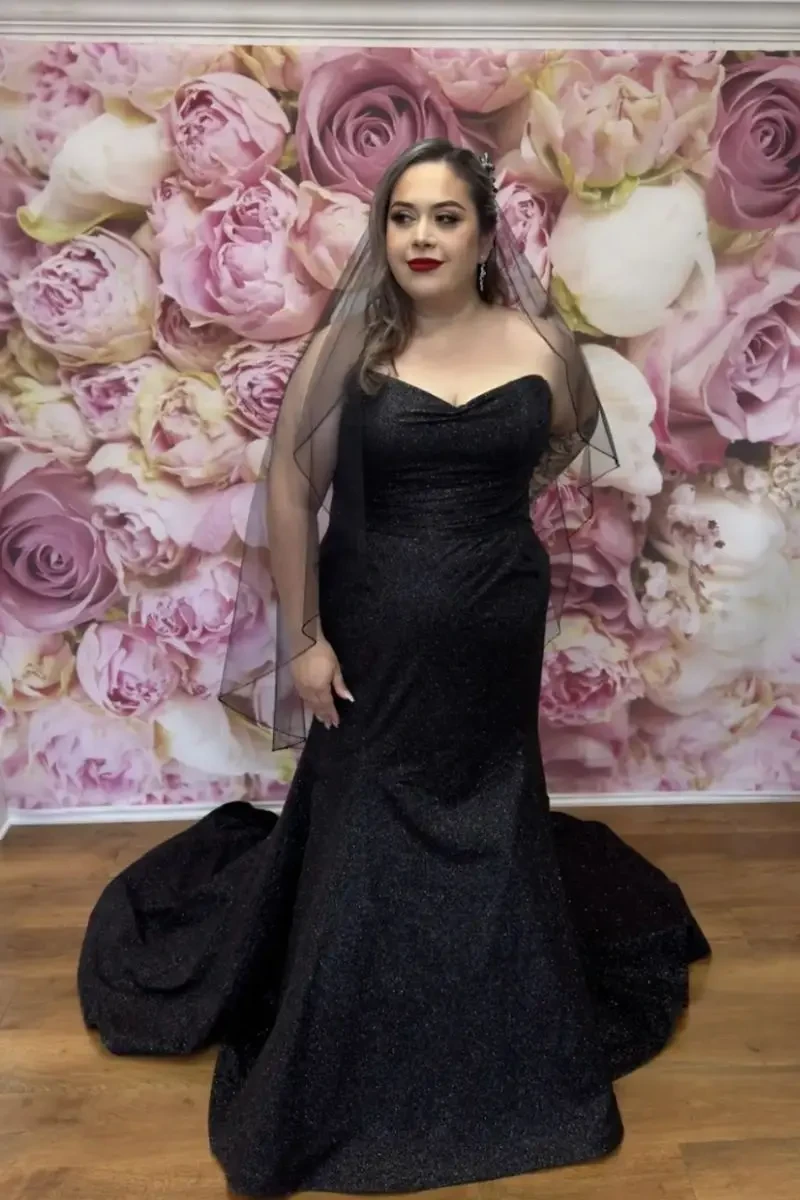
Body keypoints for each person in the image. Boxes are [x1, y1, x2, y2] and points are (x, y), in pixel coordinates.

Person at [77, 139, 711, 1198]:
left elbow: (557, 445)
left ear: (480, 235)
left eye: (443, 218)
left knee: (493, 806)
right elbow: (288, 481)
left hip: (494, 627)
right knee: (372, 808)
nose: (419, 236)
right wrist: (305, 637)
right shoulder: (352, 350)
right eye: (403, 217)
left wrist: (475, 528)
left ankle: (501, 1019)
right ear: (384, 233)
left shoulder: (536, 343)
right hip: (371, 628)